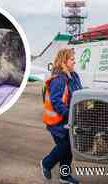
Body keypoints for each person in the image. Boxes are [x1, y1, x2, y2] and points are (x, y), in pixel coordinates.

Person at [40, 48, 82, 184]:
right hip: (58, 122)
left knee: (68, 149)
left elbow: (79, 92)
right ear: (64, 61)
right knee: (66, 147)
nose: (74, 61)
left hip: (69, 119)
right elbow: (56, 101)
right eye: (71, 59)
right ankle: (46, 163)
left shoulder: (73, 76)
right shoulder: (59, 79)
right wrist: (70, 114)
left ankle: (65, 176)